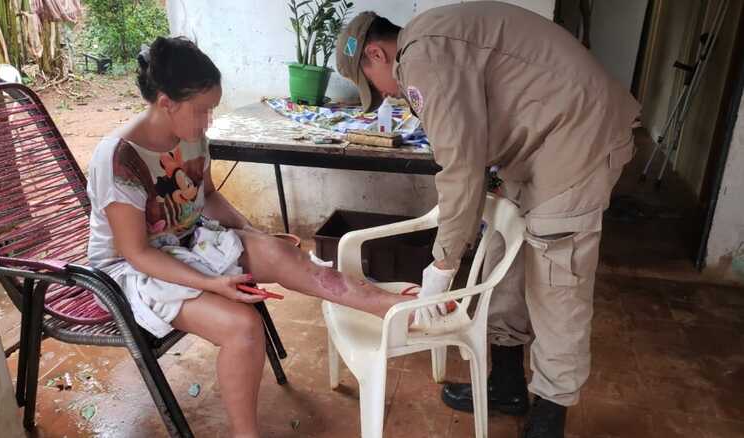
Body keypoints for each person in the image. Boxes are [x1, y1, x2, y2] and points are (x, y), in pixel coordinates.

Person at [335, 2, 640, 437]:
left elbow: (460, 169)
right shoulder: (428, 40)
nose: (386, 95)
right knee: (503, 253)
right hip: (541, 140)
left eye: (374, 86)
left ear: (376, 56)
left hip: (578, 136)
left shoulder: (420, 57)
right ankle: (507, 383)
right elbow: (477, 134)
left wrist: (443, 264)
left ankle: (551, 413)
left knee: (556, 277)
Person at [86, 36, 415, 438]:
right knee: (243, 328)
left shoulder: (189, 134)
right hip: (132, 272)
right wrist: (211, 284)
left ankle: (386, 306)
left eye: (211, 109)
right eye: (201, 110)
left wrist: (254, 234)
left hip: (189, 243)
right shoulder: (119, 158)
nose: (207, 121)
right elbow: (135, 252)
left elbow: (205, 196)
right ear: (165, 102)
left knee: (281, 254)